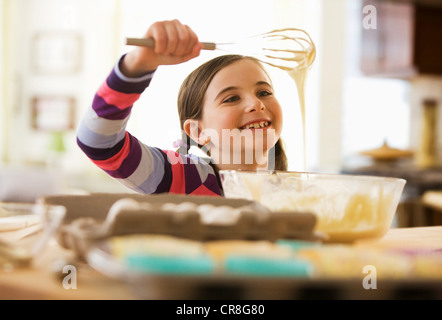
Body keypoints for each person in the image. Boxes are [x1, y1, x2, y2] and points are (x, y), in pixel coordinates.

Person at [76, 19, 287, 197]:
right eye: (231, 98)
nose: (256, 103)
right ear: (198, 131)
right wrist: (136, 66)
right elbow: (98, 144)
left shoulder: (292, 190)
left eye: (264, 93)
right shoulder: (184, 178)